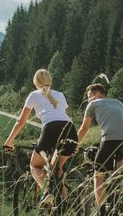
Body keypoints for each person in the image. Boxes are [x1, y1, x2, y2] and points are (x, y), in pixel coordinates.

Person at [4, 69, 78, 203]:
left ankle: (48, 193)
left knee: (35, 166)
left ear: (35, 82)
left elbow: (21, 122)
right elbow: (62, 117)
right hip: (70, 129)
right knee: (57, 168)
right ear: (50, 81)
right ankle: (64, 204)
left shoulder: (33, 95)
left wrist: (9, 141)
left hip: (51, 129)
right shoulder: (60, 95)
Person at [76, 82, 123, 210]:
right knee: (119, 158)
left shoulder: (93, 104)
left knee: (98, 176)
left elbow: (84, 128)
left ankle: (102, 212)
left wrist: (75, 144)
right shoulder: (118, 102)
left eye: (89, 95)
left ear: (97, 94)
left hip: (109, 141)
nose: (88, 99)